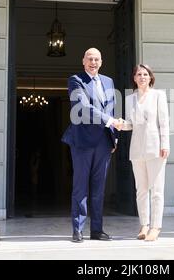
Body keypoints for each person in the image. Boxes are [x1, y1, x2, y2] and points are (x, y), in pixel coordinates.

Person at [61, 48, 122, 243]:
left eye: (96, 59)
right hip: (82, 141)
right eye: (89, 59)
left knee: (98, 188)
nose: (93, 62)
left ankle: (96, 230)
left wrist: (114, 136)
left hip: (104, 142)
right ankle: (77, 230)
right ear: (83, 61)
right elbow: (83, 108)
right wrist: (110, 121)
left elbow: (112, 108)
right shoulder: (76, 80)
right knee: (80, 187)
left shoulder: (108, 81)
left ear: (101, 62)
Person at [121, 64, 170, 241]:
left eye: (145, 74)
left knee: (157, 190)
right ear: (134, 78)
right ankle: (144, 225)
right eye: (138, 74)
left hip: (155, 147)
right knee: (141, 190)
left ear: (150, 78)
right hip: (137, 149)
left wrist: (165, 144)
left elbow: (164, 122)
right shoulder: (130, 99)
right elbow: (130, 124)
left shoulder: (158, 96)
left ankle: (156, 227)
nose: (142, 77)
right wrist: (120, 124)